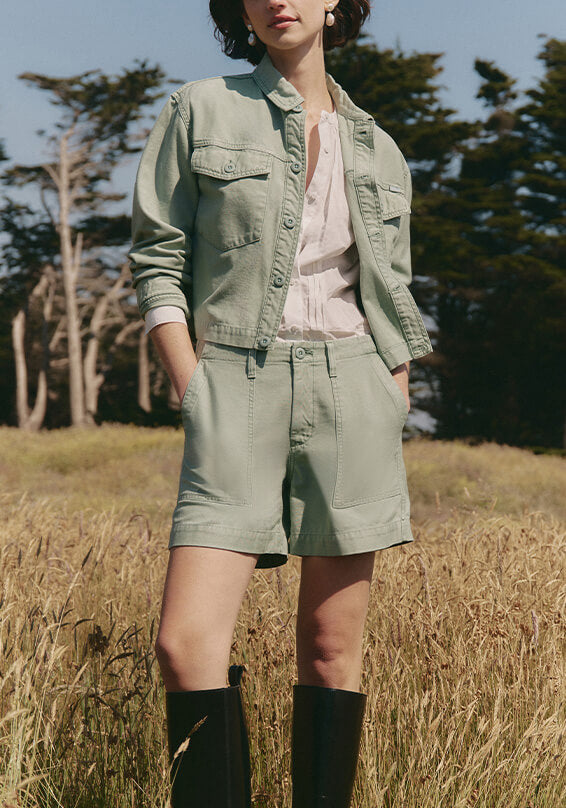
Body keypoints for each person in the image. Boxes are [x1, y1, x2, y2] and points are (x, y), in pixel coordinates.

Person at [129, 1, 433, 805]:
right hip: (234, 381)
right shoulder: (200, 109)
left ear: (336, 3)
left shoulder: (380, 148)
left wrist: (393, 387)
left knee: (332, 651)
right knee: (185, 645)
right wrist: (191, 382)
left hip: (354, 385)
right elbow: (158, 258)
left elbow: (391, 286)